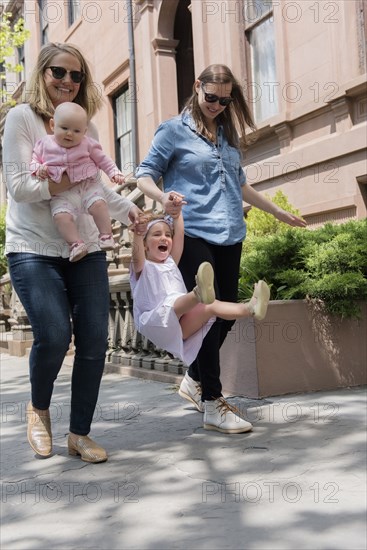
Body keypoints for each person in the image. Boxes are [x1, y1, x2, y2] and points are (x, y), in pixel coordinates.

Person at [136, 64, 306, 434]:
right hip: (192, 232)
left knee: (225, 315)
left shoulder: (227, 132)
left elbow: (240, 184)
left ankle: (193, 379)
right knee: (209, 308)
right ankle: (214, 402)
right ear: (197, 87)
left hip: (231, 232)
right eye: (210, 97)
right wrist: (164, 196)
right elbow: (144, 174)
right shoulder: (173, 131)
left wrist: (279, 211)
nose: (216, 104)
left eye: (224, 100)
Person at [2, 42, 142, 462]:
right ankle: (39, 409)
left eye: (76, 75)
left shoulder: (89, 129)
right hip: (34, 246)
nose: (66, 81)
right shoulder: (21, 120)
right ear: (42, 74)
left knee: (96, 340)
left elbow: (95, 188)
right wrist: (61, 182)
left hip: (86, 246)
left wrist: (129, 210)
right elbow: (19, 187)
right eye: (58, 72)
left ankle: (79, 433)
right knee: (55, 334)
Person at [130, 200, 270, 433]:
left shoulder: (171, 262)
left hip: (179, 324)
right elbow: (135, 256)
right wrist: (136, 234)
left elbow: (180, 235)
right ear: (145, 245)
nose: (164, 238)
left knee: (210, 307)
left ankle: (250, 308)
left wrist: (178, 215)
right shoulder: (142, 267)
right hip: (156, 321)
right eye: (156, 235)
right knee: (176, 302)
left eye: (167, 235)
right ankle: (197, 292)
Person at [31, 101, 125, 261]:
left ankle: (105, 235)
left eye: (76, 131)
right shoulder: (44, 144)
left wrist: (114, 172)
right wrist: (38, 168)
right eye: (64, 128)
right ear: (53, 125)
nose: (70, 134)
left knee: (99, 205)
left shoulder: (88, 144)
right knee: (60, 217)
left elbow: (103, 160)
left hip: (87, 185)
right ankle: (75, 244)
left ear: (84, 132)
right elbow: (34, 160)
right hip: (61, 192)